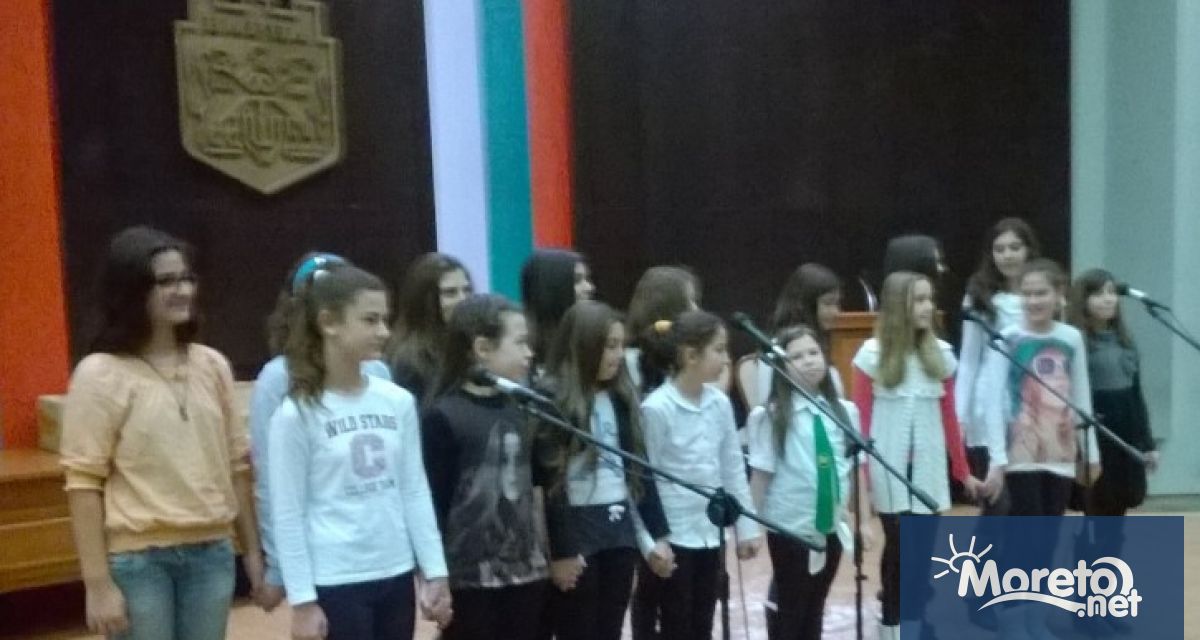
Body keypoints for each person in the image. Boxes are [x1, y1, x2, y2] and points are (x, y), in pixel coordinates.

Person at [60, 226, 263, 640]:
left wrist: (253, 553)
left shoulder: (212, 365)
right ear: (131, 290)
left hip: (212, 553)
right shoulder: (100, 374)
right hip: (139, 561)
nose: (183, 290)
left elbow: (237, 466)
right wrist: (97, 585)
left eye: (187, 278)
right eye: (166, 281)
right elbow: (83, 484)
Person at [269, 264, 451, 640]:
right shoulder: (297, 413)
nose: (383, 331)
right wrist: (302, 601)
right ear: (329, 323)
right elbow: (288, 514)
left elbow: (414, 491)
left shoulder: (397, 401)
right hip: (336, 578)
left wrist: (435, 571)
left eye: (385, 319)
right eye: (370, 320)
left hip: (395, 570)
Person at [250, 252, 394, 611]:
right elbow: (271, 482)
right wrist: (278, 565)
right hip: (325, 557)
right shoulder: (277, 378)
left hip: (382, 556)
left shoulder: (379, 375)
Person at [851, 271, 978, 640]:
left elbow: (950, 419)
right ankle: (893, 622)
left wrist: (963, 471)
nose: (927, 307)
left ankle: (917, 620)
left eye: (929, 299)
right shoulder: (871, 356)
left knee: (922, 551)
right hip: (888, 470)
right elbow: (861, 421)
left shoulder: (942, 356)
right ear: (897, 306)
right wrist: (862, 476)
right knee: (900, 549)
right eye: (918, 300)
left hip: (928, 470)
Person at [535, 301, 673, 640]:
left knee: (610, 627)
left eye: (621, 346)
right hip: (575, 530)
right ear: (583, 346)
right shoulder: (551, 400)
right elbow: (549, 484)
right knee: (578, 627)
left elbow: (638, 472)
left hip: (618, 530)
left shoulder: (622, 398)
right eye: (609, 346)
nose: (618, 355)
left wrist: (657, 536)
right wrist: (561, 551)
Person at [422, 294, 550, 640]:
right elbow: (434, 504)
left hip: (526, 573)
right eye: (520, 342)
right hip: (469, 580)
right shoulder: (443, 415)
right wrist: (434, 574)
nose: (529, 353)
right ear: (482, 348)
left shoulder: (524, 408)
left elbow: (536, 489)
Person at [633, 310, 762, 640]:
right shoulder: (656, 408)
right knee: (674, 625)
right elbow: (643, 483)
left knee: (702, 623)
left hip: (710, 532)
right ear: (691, 356)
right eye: (718, 350)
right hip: (672, 538)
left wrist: (746, 527)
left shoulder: (719, 403)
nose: (726, 359)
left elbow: (732, 468)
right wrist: (653, 541)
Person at [748, 325, 861, 640]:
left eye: (814, 352)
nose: (809, 360)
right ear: (780, 367)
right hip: (791, 526)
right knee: (792, 606)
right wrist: (750, 528)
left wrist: (858, 518)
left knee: (815, 605)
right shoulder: (771, 416)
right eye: (796, 356)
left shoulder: (844, 411)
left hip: (832, 525)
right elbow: (761, 476)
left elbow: (851, 469)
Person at [956, 218, 1041, 504]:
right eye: (999, 249)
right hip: (990, 402)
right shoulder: (979, 296)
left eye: (1015, 247)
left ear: (1029, 250)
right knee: (997, 501)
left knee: (1029, 501)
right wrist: (960, 416)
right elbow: (968, 361)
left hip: (1033, 403)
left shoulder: (1043, 295)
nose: (1007, 255)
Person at [1067, 268, 1159, 515]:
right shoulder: (1076, 340)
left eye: (1111, 292)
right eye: (1098, 294)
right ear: (1083, 300)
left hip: (1126, 431)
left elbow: (1136, 395)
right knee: (1097, 505)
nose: (1108, 299)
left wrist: (1148, 443)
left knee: (1120, 505)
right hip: (1096, 431)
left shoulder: (1125, 340)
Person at [387, 252, 473, 402]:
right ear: (424, 299)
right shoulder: (409, 362)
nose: (463, 299)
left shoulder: (470, 346)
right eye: (450, 293)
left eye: (467, 290)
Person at [520, 249, 596, 370]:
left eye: (587, 279)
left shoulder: (592, 338)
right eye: (577, 281)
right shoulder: (522, 347)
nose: (589, 287)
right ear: (552, 288)